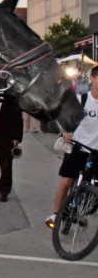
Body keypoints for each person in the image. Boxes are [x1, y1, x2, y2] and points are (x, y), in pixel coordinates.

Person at [46, 65, 98, 227]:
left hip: (96, 151)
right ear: (92, 79)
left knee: (93, 185)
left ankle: (81, 210)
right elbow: (63, 117)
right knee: (67, 181)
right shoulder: (81, 99)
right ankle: (56, 214)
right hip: (78, 146)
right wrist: (66, 131)